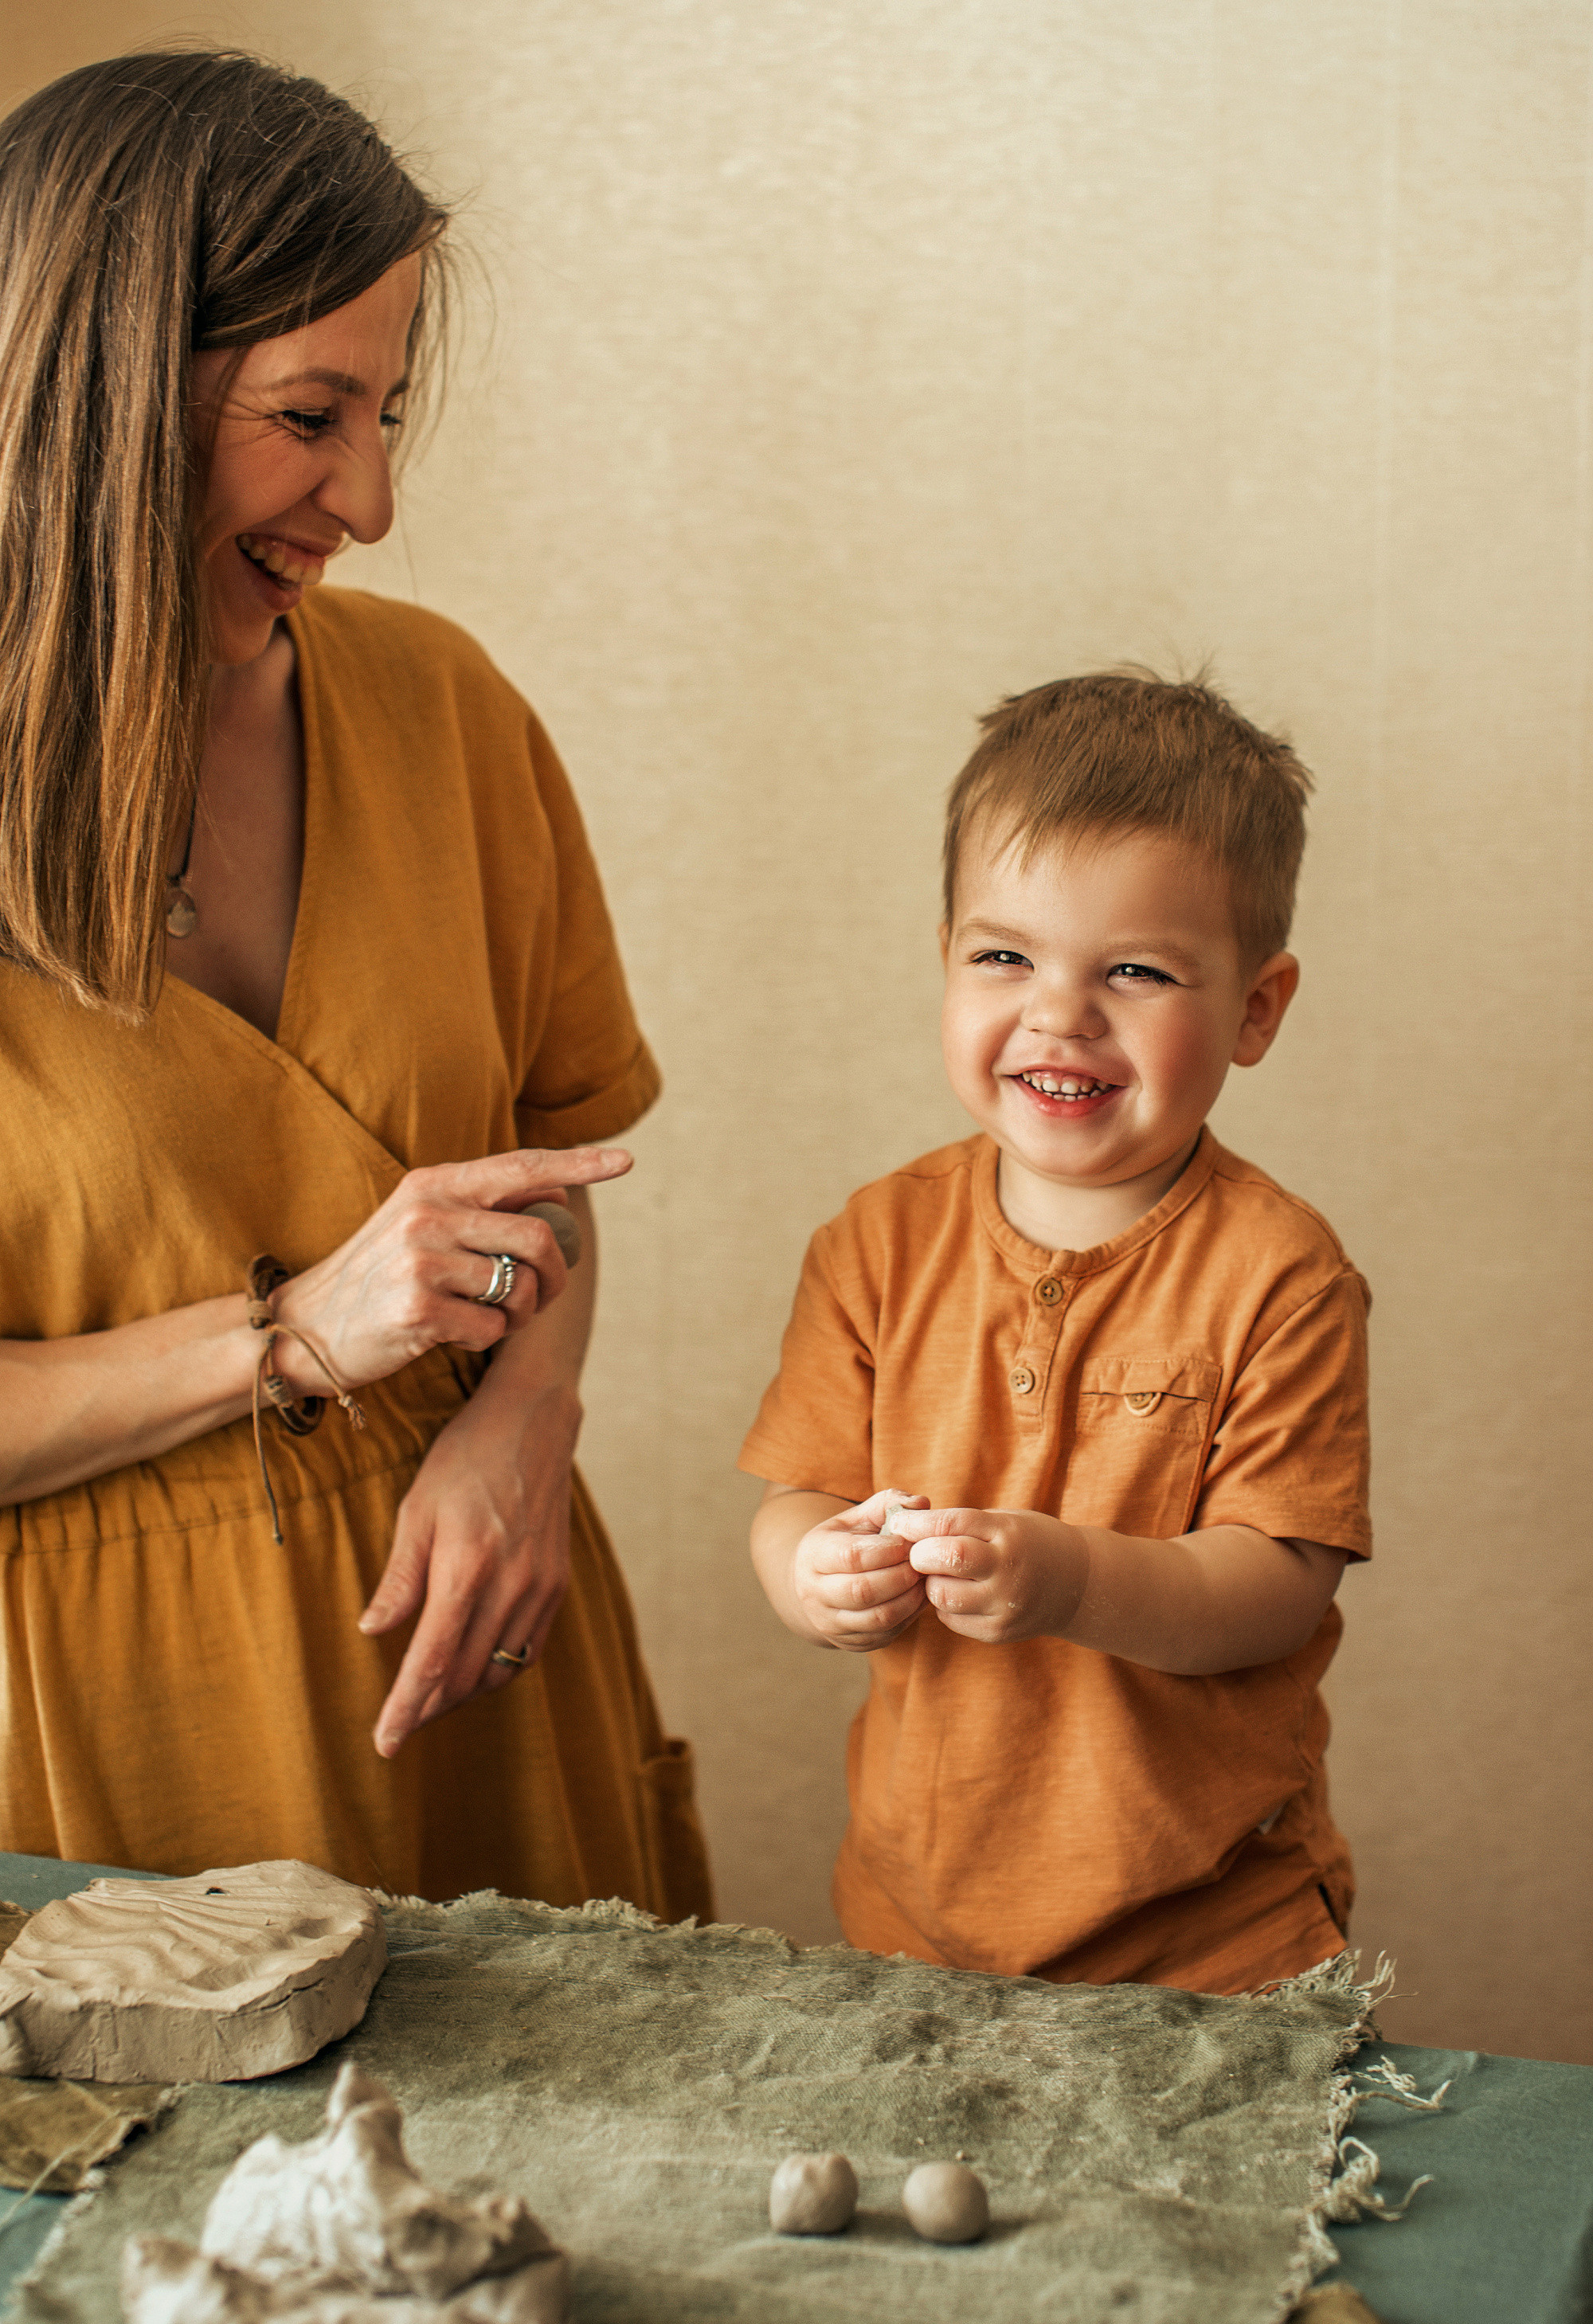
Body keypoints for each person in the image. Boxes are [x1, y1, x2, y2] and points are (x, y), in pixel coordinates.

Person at [0, 50, 711, 1920]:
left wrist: (523, 1421)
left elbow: (548, 1176)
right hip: (110, 1766)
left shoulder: (444, 708)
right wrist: (300, 1331)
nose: (371, 501)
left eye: (386, 413)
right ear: (98, 397)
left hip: (489, 1682)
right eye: (312, 416)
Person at [742, 675, 1369, 1993]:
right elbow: (800, 1491)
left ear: (1258, 1009)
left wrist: (1071, 1581)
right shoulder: (876, 1241)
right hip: (921, 1920)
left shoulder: (1283, 1273)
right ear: (946, 959)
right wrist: (814, 1572)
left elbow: (1276, 1586)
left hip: (1211, 1937)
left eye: (1134, 971)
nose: (1060, 1013)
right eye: (1005, 956)